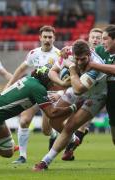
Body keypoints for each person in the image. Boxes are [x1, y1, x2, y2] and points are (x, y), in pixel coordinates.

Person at [33, 39, 107, 171]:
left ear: (89, 55)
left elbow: (79, 88)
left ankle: (45, 162)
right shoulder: (68, 53)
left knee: (70, 126)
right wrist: (62, 84)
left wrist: (71, 67)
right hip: (77, 86)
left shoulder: (95, 64)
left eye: (83, 59)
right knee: (54, 121)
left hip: (97, 95)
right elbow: (52, 72)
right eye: (76, 59)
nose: (79, 62)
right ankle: (73, 139)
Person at [5, 25, 62, 164]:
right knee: (24, 121)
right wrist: (9, 84)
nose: (47, 39)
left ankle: (53, 135)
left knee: (46, 130)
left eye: (50, 37)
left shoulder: (59, 55)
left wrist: (61, 92)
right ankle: (22, 156)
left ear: (54, 38)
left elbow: (64, 76)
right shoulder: (33, 53)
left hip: (49, 94)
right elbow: (21, 68)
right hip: (33, 91)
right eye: (45, 37)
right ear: (40, 38)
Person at [61, 27, 103, 161]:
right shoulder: (80, 52)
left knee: (83, 123)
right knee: (69, 121)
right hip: (79, 89)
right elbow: (66, 54)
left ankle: (69, 150)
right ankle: (69, 145)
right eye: (93, 37)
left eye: (99, 38)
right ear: (88, 38)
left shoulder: (104, 54)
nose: (95, 40)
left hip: (97, 92)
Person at [84, 25, 115, 145]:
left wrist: (93, 65)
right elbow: (85, 57)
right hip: (109, 97)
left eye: (105, 38)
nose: (102, 42)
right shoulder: (100, 51)